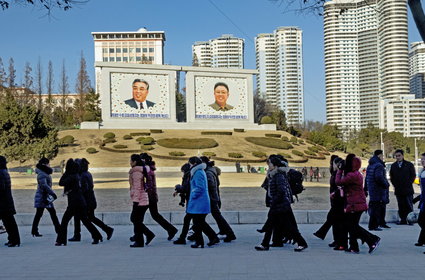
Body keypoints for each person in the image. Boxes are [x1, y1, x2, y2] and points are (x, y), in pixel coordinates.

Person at [255, 155, 308, 252]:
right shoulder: (273, 174)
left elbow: (281, 191)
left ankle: (302, 243)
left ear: (274, 165)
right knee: (271, 224)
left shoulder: (278, 175)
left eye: (270, 163)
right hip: (277, 204)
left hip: (281, 205)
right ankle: (264, 244)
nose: (268, 165)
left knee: (289, 226)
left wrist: (274, 200)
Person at [335, 154, 381, 254]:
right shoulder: (356, 174)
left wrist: (339, 170)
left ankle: (372, 239)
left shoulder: (352, 175)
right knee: (351, 226)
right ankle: (354, 247)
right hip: (356, 203)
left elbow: (338, 182)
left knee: (352, 226)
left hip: (355, 204)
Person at [55, 159, 103, 246]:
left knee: (64, 221)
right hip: (80, 201)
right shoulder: (76, 175)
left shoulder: (71, 176)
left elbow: (61, 183)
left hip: (74, 202)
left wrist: (65, 172)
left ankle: (61, 240)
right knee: (85, 221)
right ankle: (97, 236)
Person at [68, 158, 114, 242]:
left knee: (84, 218)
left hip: (86, 201)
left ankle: (92, 234)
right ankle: (106, 229)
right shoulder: (87, 174)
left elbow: (84, 189)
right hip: (90, 199)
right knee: (88, 217)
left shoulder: (82, 176)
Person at [140, 153, 178, 241]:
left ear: (143, 160)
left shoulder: (146, 169)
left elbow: (147, 184)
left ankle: (140, 234)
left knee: (137, 217)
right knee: (154, 215)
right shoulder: (150, 168)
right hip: (152, 195)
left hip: (148, 196)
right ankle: (171, 229)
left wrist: (144, 191)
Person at [313, 155, 347, 251]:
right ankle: (335, 240)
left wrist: (334, 194)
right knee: (334, 221)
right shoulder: (335, 173)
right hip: (335, 199)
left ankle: (326, 234)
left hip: (338, 200)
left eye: (333, 164)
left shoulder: (339, 174)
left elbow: (339, 187)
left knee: (334, 219)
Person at [201, 156, 236, 242]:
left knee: (201, 218)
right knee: (216, 216)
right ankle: (226, 232)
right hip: (213, 197)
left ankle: (230, 233)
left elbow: (211, 186)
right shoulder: (211, 170)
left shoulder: (208, 172)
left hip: (211, 198)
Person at [187, 156, 219, 248]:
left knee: (197, 223)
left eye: (190, 163)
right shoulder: (199, 171)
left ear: (194, 164)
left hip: (199, 202)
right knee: (200, 223)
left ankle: (200, 241)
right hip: (200, 201)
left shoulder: (198, 173)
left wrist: (193, 196)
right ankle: (211, 238)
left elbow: (199, 188)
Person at [128, 154, 155, 247]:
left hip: (140, 200)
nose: (130, 163)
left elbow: (137, 188)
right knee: (136, 220)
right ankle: (147, 235)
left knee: (135, 220)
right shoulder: (139, 170)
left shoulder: (136, 172)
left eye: (131, 161)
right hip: (143, 199)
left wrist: (135, 201)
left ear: (135, 162)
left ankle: (140, 241)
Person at [31, 157, 60, 237]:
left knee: (42, 214)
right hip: (42, 197)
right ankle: (59, 230)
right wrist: (52, 194)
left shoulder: (43, 172)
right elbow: (44, 185)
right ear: (44, 164)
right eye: (48, 163)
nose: (49, 165)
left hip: (45, 196)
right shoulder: (42, 174)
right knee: (49, 214)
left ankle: (34, 231)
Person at [364, 150, 390, 231]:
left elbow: (367, 177)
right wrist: (386, 184)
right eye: (382, 156)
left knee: (376, 206)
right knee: (377, 208)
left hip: (372, 188)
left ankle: (380, 223)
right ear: (379, 156)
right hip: (378, 189)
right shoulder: (379, 165)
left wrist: (366, 188)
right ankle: (373, 225)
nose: (383, 158)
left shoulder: (370, 165)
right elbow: (379, 177)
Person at [390, 149, 416, 225]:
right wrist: (395, 184)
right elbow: (392, 177)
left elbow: (413, 175)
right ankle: (403, 220)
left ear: (402, 156)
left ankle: (411, 220)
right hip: (398, 190)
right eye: (396, 156)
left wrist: (408, 183)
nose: (398, 157)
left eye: (399, 156)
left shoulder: (409, 165)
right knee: (401, 206)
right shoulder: (394, 166)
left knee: (409, 205)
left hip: (408, 189)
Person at [0, 156, 20, 247]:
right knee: (9, 222)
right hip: (6, 201)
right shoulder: (4, 172)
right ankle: (14, 240)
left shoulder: (0, 173)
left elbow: (1, 187)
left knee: (9, 222)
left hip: (2, 202)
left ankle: (14, 240)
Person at [173, 163, 192, 245]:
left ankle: (182, 238)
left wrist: (178, 187)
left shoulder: (188, 176)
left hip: (192, 201)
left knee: (188, 220)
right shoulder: (189, 175)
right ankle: (184, 237)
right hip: (191, 200)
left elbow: (186, 188)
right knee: (197, 221)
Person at [413, 153, 425, 252]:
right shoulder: (422, 171)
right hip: (424, 200)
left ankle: (422, 240)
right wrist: (417, 199)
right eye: (421, 159)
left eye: (424, 160)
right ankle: (422, 240)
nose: (422, 161)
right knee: (421, 221)